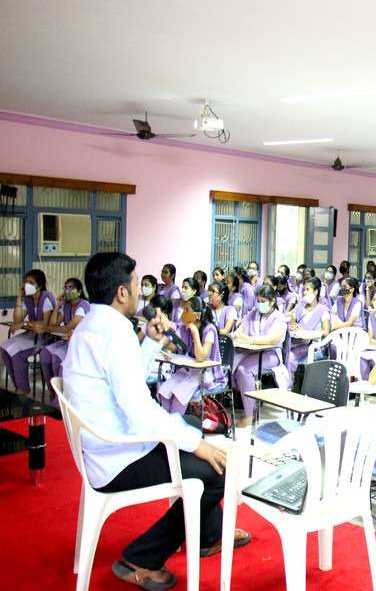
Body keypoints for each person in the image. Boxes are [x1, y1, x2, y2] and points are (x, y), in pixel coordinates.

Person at [61, 252, 249, 589]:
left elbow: (125, 378)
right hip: (120, 455)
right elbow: (140, 409)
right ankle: (143, 556)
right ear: (122, 292)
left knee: (189, 429)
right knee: (216, 470)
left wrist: (150, 340)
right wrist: (199, 447)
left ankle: (209, 532)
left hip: (102, 444)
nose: (139, 291)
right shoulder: (114, 333)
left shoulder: (94, 325)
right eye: (136, 284)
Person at [232, 285, 290, 427]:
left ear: (271, 301)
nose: (259, 304)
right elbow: (241, 330)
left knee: (243, 370)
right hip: (251, 351)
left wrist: (247, 339)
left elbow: (271, 340)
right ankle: (245, 400)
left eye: (263, 301)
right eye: (258, 300)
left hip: (270, 354)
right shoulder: (253, 313)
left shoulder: (279, 318)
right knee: (231, 365)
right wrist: (238, 335)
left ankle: (249, 415)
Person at [157, 296, 225, 415]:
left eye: (187, 310)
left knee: (179, 393)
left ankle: (174, 426)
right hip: (186, 370)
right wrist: (166, 346)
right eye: (184, 310)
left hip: (204, 372)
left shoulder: (209, 329)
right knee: (164, 391)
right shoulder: (183, 327)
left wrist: (194, 332)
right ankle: (165, 424)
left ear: (197, 315)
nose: (183, 313)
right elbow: (176, 347)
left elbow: (200, 357)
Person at [0, 269, 56, 392]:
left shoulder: (46, 298)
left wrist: (24, 323)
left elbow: (44, 324)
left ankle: (23, 388)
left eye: (31, 282)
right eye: (25, 282)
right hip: (31, 334)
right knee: (4, 349)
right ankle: (18, 386)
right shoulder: (28, 298)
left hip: (46, 337)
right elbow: (17, 319)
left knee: (16, 352)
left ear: (40, 285)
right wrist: (19, 298)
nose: (27, 285)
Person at [40, 277, 90, 392]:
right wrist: (57, 305)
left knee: (56, 357)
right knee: (45, 354)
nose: (67, 290)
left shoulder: (83, 306)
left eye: (71, 287)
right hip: (66, 340)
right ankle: (52, 392)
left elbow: (66, 328)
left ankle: (61, 395)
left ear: (79, 291)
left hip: (79, 344)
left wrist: (45, 328)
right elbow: (54, 323)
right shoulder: (67, 305)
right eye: (65, 287)